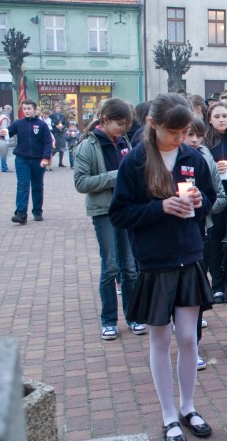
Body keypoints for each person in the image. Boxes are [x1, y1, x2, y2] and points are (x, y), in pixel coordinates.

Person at [108, 92, 217, 441]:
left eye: (185, 132)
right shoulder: (136, 161)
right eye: (174, 132)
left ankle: (188, 406)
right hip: (155, 263)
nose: (180, 139)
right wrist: (160, 208)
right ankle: (168, 413)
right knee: (161, 339)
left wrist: (200, 203)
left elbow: (210, 200)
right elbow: (120, 214)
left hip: (190, 258)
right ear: (152, 124)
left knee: (189, 338)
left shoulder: (192, 157)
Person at [73, 97, 147, 341]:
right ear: (105, 120)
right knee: (110, 267)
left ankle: (134, 316)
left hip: (126, 210)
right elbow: (81, 183)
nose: (123, 129)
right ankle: (108, 321)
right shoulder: (88, 145)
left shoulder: (123, 141)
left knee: (130, 267)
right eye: (119, 124)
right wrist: (115, 176)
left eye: (126, 125)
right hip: (104, 212)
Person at [185, 115, 227, 369]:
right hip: (169, 238)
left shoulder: (205, 159)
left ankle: (193, 347)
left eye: (197, 135)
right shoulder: (161, 157)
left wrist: (203, 207)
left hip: (199, 231)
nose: (193, 139)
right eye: (188, 134)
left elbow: (219, 197)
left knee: (196, 291)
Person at [204, 101, 227, 302]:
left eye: (224, 116)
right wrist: (214, 169)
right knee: (215, 242)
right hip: (215, 201)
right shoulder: (206, 143)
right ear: (209, 119)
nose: (221, 119)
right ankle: (217, 284)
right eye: (217, 116)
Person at [2, 99, 52, 224]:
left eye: (29, 109)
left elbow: (47, 142)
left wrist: (46, 158)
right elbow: (7, 133)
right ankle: (21, 214)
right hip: (22, 159)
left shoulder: (42, 125)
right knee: (23, 186)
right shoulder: (18, 123)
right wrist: (4, 133)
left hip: (38, 160)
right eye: (24, 109)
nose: (26, 111)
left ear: (35, 110)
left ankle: (37, 211)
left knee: (37, 186)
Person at [0, 105, 12, 172]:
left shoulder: (1, 116)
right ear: (8, 110)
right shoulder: (5, 118)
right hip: (3, 137)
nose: (10, 112)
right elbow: (5, 128)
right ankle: (4, 168)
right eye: (10, 111)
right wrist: (7, 139)